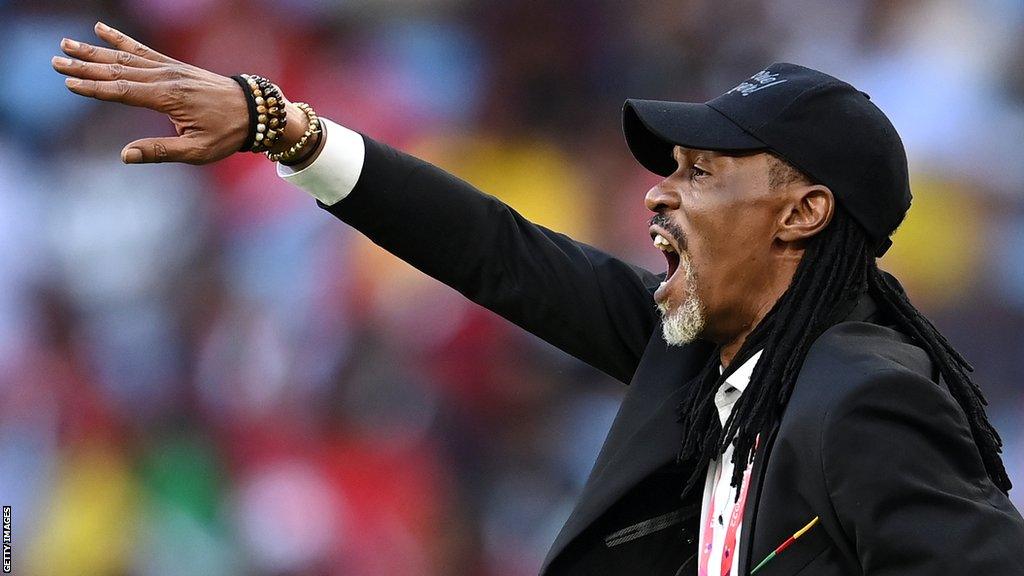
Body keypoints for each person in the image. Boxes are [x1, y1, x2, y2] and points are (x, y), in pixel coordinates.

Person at [53, 22, 1024, 576]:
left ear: (803, 213)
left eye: (704, 173)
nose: (659, 191)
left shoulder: (862, 397)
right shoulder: (708, 356)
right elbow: (497, 253)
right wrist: (286, 129)